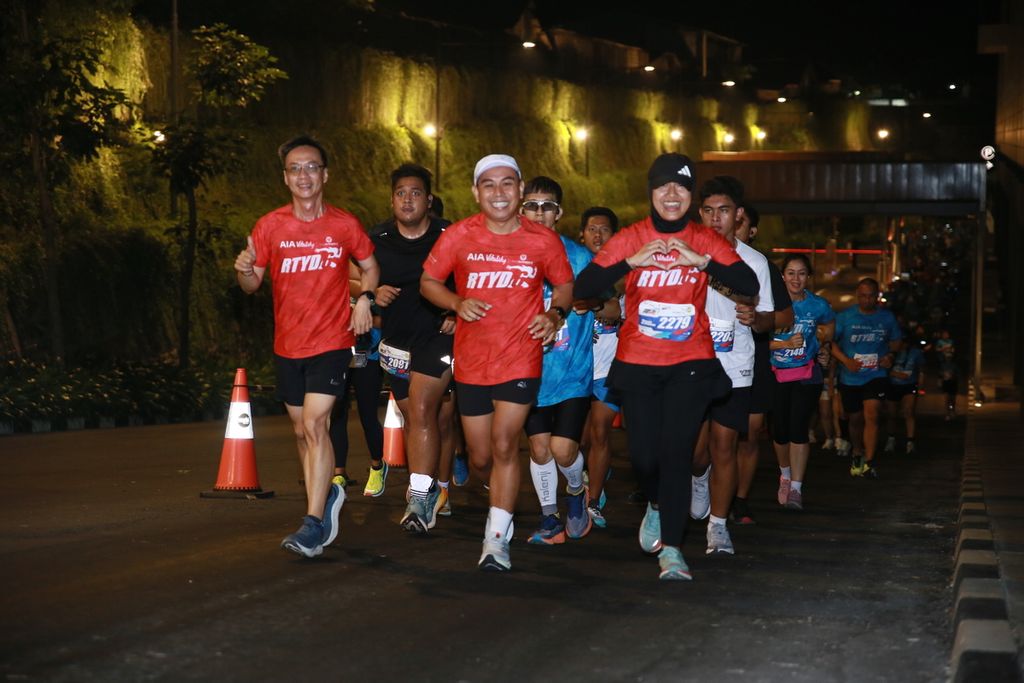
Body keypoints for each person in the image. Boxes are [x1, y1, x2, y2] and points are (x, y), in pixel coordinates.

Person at [574, 154, 757, 580]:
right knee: (644, 455)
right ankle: (656, 503)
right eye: (662, 187)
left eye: (680, 187)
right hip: (638, 363)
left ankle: (672, 550)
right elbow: (585, 287)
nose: (671, 195)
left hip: (690, 363)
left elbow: (748, 286)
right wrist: (630, 263)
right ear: (651, 192)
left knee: (676, 453)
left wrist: (703, 262)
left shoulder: (704, 239)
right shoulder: (631, 237)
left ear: (690, 195)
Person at [420, 154, 574, 571]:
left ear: (520, 190)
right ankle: (494, 500)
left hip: (521, 357)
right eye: (489, 184)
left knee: (508, 444)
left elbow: (563, 285)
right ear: (476, 192)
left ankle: (496, 538)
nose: (499, 192)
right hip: (472, 363)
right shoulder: (459, 236)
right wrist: (456, 302)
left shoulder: (542, 240)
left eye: (508, 184)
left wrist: (554, 315)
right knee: (482, 457)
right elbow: (428, 281)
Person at [234, 135, 379, 558]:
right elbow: (251, 285)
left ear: (325, 174)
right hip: (287, 345)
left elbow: (370, 267)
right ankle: (327, 497)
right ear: (285, 178)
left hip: (332, 340)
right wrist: (244, 268)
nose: (304, 175)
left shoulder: (343, 224)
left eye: (311, 167)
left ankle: (313, 523)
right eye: (295, 168)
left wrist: (365, 300)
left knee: (316, 424)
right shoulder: (270, 226)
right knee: (301, 430)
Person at [688, 177, 775, 556]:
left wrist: (754, 318)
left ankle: (719, 526)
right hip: (690, 363)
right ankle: (698, 476)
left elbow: (771, 318)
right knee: (696, 452)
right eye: (708, 210)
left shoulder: (755, 262)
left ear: (738, 215)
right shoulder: (685, 253)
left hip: (734, 365)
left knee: (725, 445)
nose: (715, 218)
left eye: (723, 210)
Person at [370, 163, 459, 531]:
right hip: (398, 342)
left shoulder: (449, 234)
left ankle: (423, 495)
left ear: (429, 199)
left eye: (416, 193)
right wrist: (371, 292)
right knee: (418, 418)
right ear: (392, 199)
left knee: (428, 410)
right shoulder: (376, 238)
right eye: (401, 193)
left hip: (440, 335)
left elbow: (475, 276)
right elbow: (346, 274)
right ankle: (436, 485)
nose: (408, 199)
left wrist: (458, 308)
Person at [517, 176, 596, 545]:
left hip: (572, 372)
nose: (538, 213)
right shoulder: (510, 256)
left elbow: (611, 304)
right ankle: (549, 519)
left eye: (546, 206)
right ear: (520, 210)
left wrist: (594, 303)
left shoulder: (580, 258)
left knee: (564, 451)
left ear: (558, 213)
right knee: (538, 448)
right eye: (531, 205)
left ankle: (577, 492)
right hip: (528, 371)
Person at [726, 203, 792, 525]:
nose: (731, 227)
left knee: (749, 433)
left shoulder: (760, 266)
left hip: (754, 359)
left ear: (751, 231)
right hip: (712, 359)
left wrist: (758, 320)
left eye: (740, 224)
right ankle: (707, 488)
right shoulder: (705, 261)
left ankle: (740, 499)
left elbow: (785, 315)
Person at [768, 254, 835, 510]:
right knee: (780, 431)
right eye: (791, 273)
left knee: (799, 427)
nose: (796, 279)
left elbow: (829, 323)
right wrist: (783, 343)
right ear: (782, 276)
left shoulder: (817, 305)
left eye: (802, 273)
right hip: (776, 373)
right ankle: (785, 475)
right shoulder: (771, 305)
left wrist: (824, 344)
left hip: (807, 373)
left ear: (808, 277)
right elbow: (756, 340)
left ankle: (796, 488)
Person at [577, 206, 623, 528]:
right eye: (591, 229)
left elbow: (613, 309)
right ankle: (588, 475)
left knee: (600, 431)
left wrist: (594, 302)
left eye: (604, 229)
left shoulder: (622, 272)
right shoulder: (571, 267)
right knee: (576, 440)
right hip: (576, 366)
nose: (597, 234)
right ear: (582, 234)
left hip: (611, 367)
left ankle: (593, 501)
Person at [832, 278, 901, 478]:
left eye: (871, 296)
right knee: (855, 419)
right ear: (857, 295)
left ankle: (869, 461)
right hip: (851, 376)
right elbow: (830, 342)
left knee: (873, 413)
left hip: (876, 374)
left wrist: (890, 356)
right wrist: (846, 361)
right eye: (863, 296)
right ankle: (857, 450)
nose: (867, 300)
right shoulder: (845, 317)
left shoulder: (887, 318)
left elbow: (896, 341)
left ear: (877, 296)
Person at [883, 330, 925, 454]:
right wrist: (895, 374)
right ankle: (891, 439)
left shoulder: (916, 353)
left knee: (909, 411)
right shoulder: (889, 353)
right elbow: (882, 369)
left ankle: (910, 441)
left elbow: (921, 369)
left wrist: (920, 386)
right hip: (892, 385)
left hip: (909, 385)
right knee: (891, 414)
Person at [934, 329, 958, 421]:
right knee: (947, 397)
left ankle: (953, 411)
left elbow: (957, 372)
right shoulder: (941, 361)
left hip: (953, 380)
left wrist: (953, 375)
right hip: (946, 380)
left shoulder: (954, 361)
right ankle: (947, 413)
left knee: (953, 398)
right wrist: (940, 380)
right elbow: (940, 372)